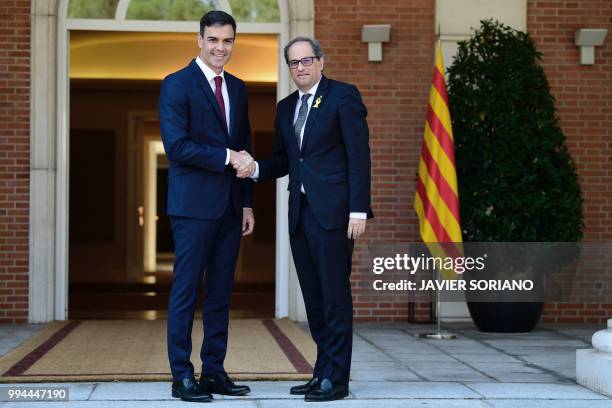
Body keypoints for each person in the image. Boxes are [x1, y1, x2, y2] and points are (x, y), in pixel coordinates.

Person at [236, 36, 373, 402]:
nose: (301, 67)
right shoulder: (285, 109)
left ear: (321, 61)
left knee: (334, 297)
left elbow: (359, 156)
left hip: (335, 215)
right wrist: (254, 169)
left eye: (306, 60)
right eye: (294, 63)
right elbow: (284, 160)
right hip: (300, 214)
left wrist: (358, 209)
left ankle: (337, 379)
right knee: (313, 298)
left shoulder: (343, 96)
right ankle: (322, 371)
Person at [158, 10, 254, 403]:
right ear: (199, 40)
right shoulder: (176, 85)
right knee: (185, 291)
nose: (220, 48)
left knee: (219, 293)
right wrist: (227, 157)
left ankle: (213, 371)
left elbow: (245, 146)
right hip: (193, 207)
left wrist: (247, 203)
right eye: (213, 40)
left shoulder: (239, 87)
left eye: (227, 40)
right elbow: (176, 147)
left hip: (231, 208)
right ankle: (182, 375)